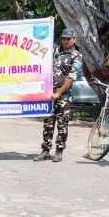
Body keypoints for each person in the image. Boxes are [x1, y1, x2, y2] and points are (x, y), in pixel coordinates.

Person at [35, 28, 82, 163]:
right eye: (63, 38)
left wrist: (59, 93)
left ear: (74, 40)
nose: (65, 41)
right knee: (48, 123)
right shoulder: (55, 52)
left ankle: (59, 151)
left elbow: (71, 78)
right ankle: (45, 150)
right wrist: (48, 25)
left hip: (64, 95)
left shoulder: (76, 56)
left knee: (62, 124)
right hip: (50, 93)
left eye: (68, 38)